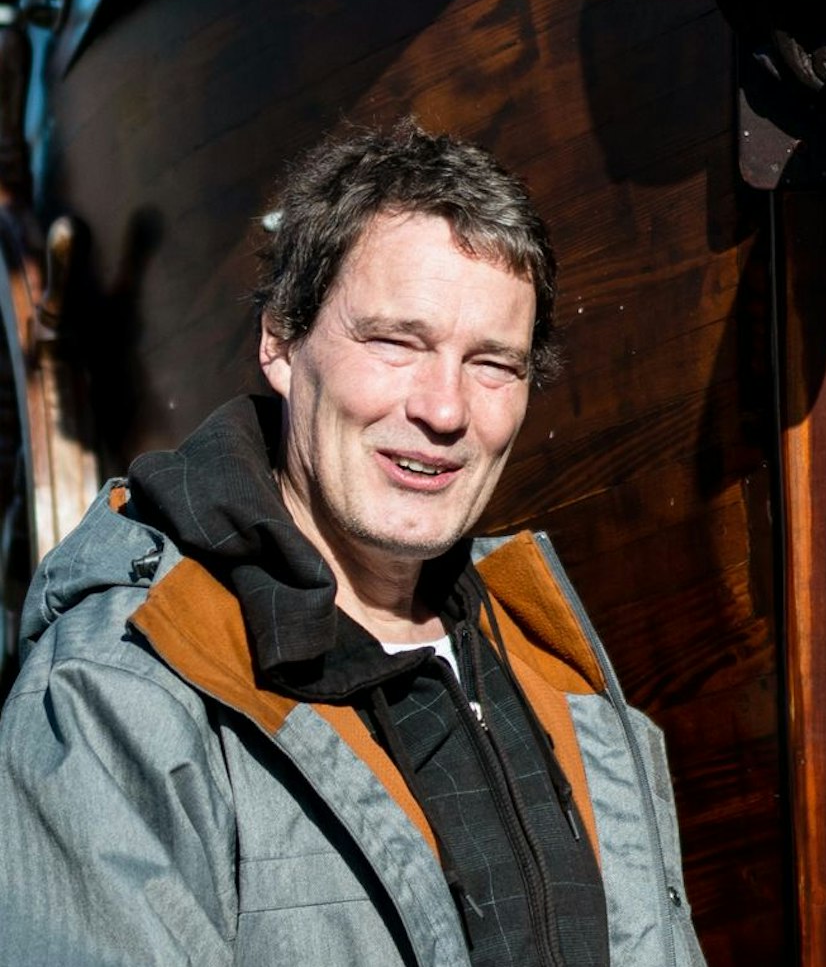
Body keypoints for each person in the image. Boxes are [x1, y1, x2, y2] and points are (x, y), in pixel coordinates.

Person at [0, 122, 706, 966]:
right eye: (396, 342)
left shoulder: (539, 647)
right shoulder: (121, 691)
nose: (445, 409)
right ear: (281, 342)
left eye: (493, 363)